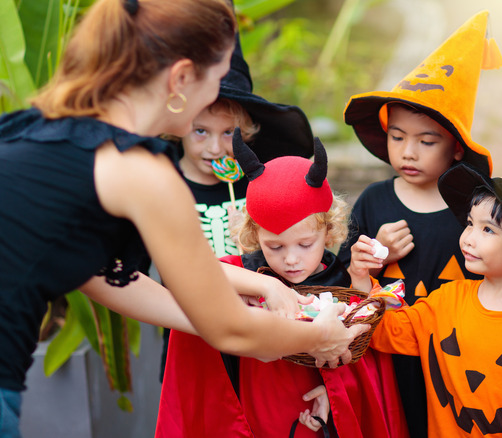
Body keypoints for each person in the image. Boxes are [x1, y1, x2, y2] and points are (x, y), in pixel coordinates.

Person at [0, 1, 364, 435]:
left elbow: (106, 277)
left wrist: (249, 296)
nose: (215, 98)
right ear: (180, 79)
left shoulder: (37, 130)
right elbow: (231, 332)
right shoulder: (143, 173)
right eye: (214, 82)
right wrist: (319, 336)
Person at [156, 137, 408, 437]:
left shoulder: (338, 279)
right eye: (274, 246)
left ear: (328, 231)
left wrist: (336, 393)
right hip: (258, 402)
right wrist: (265, 285)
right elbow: (194, 272)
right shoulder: (247, 271)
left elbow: (359, 351)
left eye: (305, 244)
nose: (290, 259)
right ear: (254, 234)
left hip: (314, 407)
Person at [338, 11, 502, 435]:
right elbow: (343, 272)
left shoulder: (473, 211)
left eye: (426, 142)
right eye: (397, 137)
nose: (408, 152)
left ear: (457, 149)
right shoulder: (375, 200)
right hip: (384, 353)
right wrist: (373, 257)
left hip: (450, 358)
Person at [350, 163, 502, 436]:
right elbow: (386, 331)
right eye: (470, 224)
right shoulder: (447, 300)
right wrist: (362, 278)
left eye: (488, 230)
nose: (468, 238)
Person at [158, 32, 315, 381]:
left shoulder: (254, 185)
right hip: (189, 328)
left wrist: (252, 239)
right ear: (179, 125)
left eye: (229, 132)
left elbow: (292, 248)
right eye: (201, 131)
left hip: (258, 322)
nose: (215, 147)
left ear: (246, 132)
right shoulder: (163, 185)